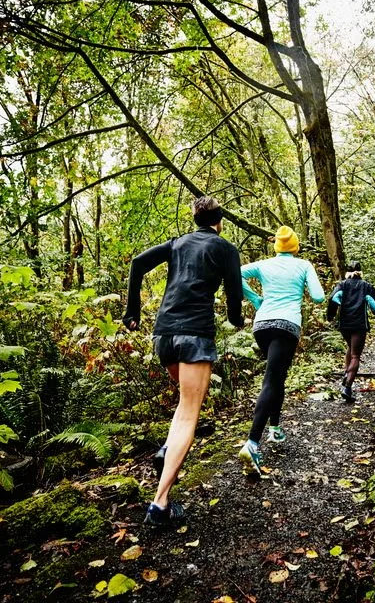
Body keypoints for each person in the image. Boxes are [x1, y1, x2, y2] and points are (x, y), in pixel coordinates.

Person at [122, 196, 244, 525]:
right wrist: (237, 320)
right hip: (195, 335)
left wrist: (132, 310)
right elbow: (235, 298)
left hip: (164, 335)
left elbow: (137, 263)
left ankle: (167, 450)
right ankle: (160, 504)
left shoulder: (177, 244)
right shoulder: (226, 249)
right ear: (220, 221)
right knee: (190, 413)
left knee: (183, 403)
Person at [238, 226, 325, 474]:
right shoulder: (303, 265)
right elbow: (318, 297)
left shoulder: (263, 264)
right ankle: (252, 442)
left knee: (277, 377)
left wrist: (255, 299)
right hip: (287, 325)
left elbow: (234, 273)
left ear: (276, 246)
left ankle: (275, 429)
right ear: (295, 247)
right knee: (272, 380)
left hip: (262, 326)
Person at [327, 261, 375, 403]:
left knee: (350, 349)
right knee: (355, 355)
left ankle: (347, 377)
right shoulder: (366, 286)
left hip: (344, 325)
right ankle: (347, 386)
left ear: (347, 272)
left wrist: (330, 316)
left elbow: (333, 300)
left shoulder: (342, 285)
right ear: (360, 272)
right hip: (359, 325)